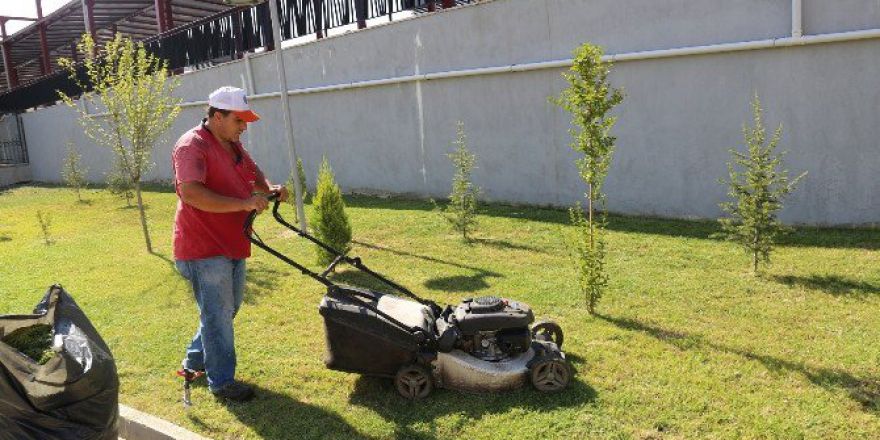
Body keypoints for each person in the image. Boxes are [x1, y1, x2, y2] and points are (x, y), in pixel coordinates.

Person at [171, 86, 289, 402]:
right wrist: (243, 204)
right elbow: (191, 192)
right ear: (217, 116)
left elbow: (253, 173)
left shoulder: (233, 145)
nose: (244, 127)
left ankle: (193, 362)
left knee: (226, 310)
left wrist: (270, 188)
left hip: (232, 242)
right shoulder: (192, 146)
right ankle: (221, 382)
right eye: (239, 120)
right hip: (203, 248)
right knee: (218, 315)